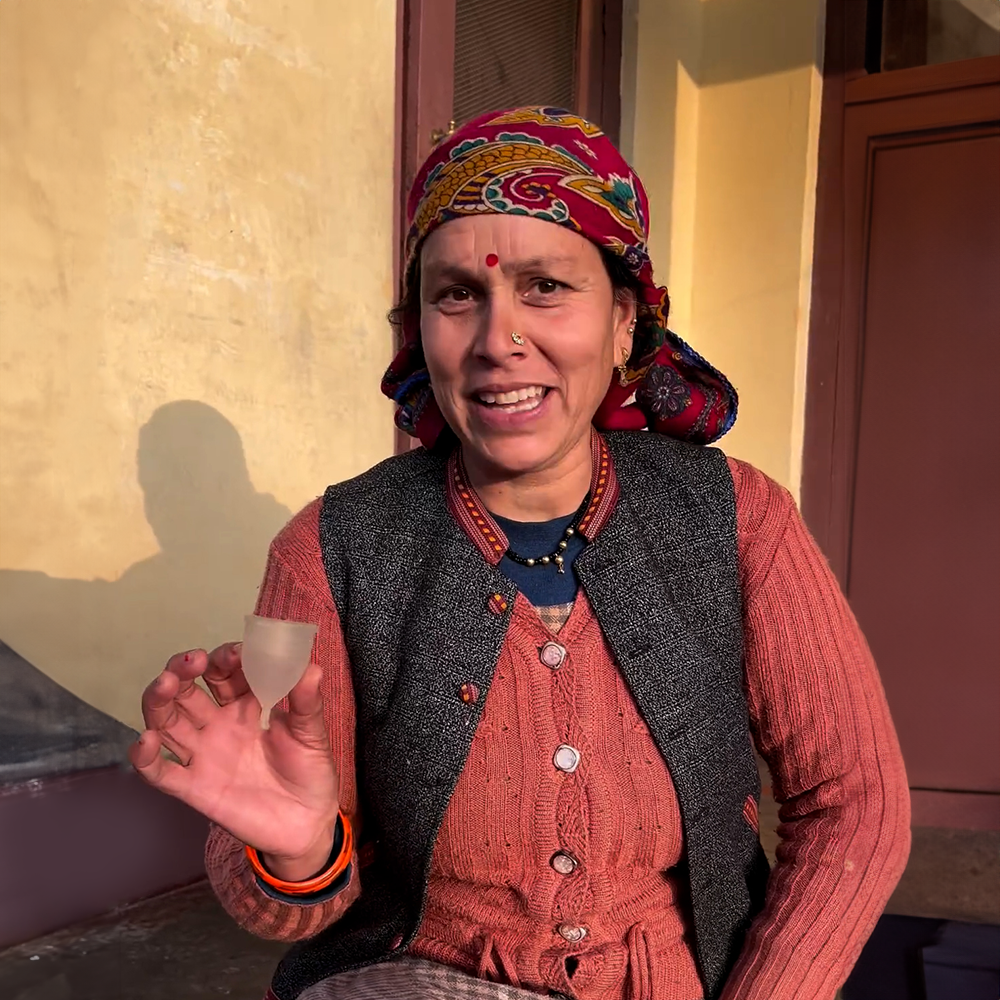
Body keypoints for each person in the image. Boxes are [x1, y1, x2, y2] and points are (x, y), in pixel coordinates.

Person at [131, 107, 910, 1000]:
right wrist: (300, 855)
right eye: (458, 295)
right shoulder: (327, 550)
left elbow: (854, 804)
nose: (499, 342)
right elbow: (275, 879)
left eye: (545, 286)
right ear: (419, 328)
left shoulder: (736, 517)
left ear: (625, 323)